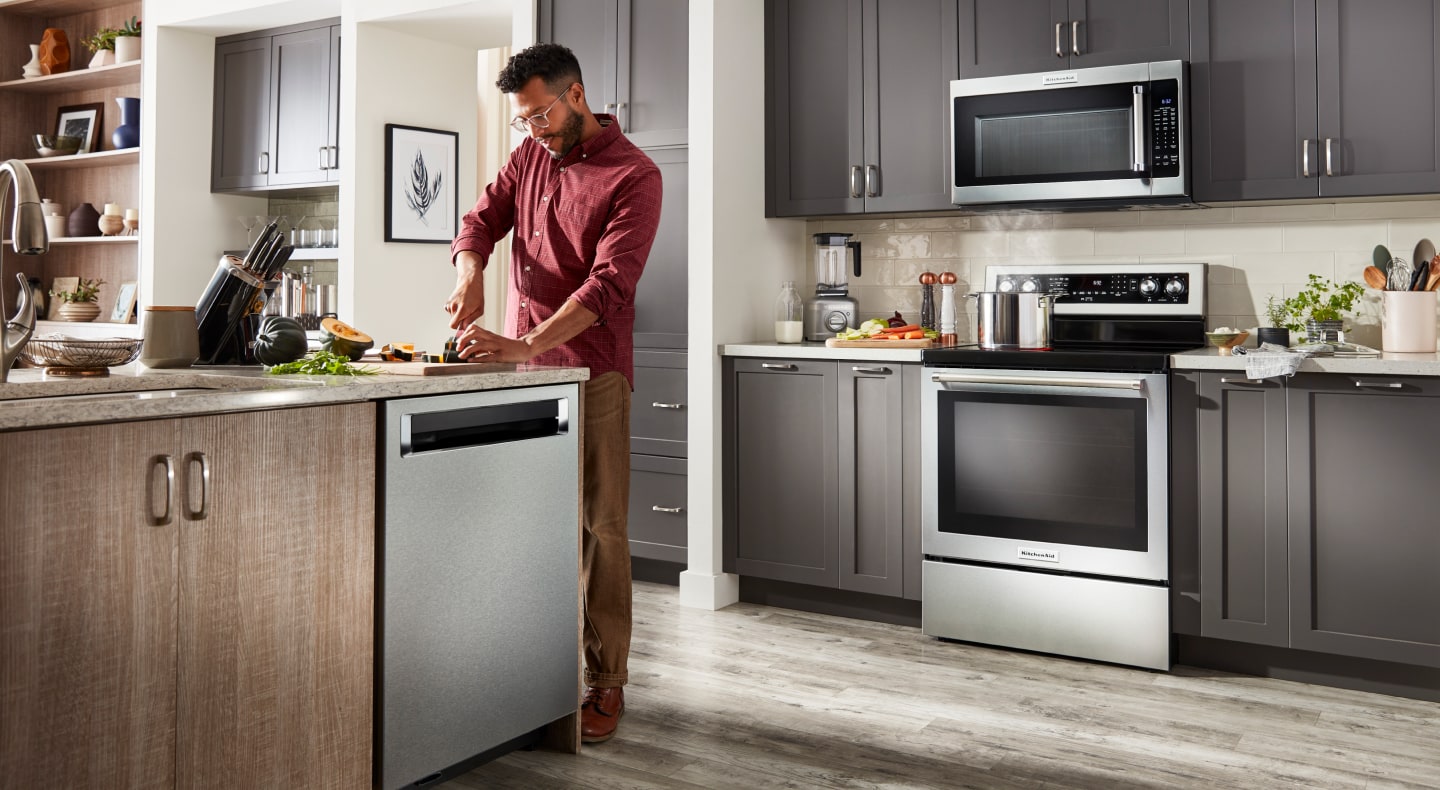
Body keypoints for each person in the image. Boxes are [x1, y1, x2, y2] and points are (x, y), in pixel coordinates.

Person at [444, 42, 663, 745]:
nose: (533, 128)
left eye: (540, 114)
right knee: (522, 523)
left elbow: (609, 285)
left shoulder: (635, 175)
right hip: (525, 371)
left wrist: (528, 343)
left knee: (600, 530)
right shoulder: (529, 157)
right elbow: (480, 221)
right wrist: (471, 274)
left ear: (576, 96)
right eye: (523, 118)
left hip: (593, 374)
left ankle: (606, 681)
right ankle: (526, 672)